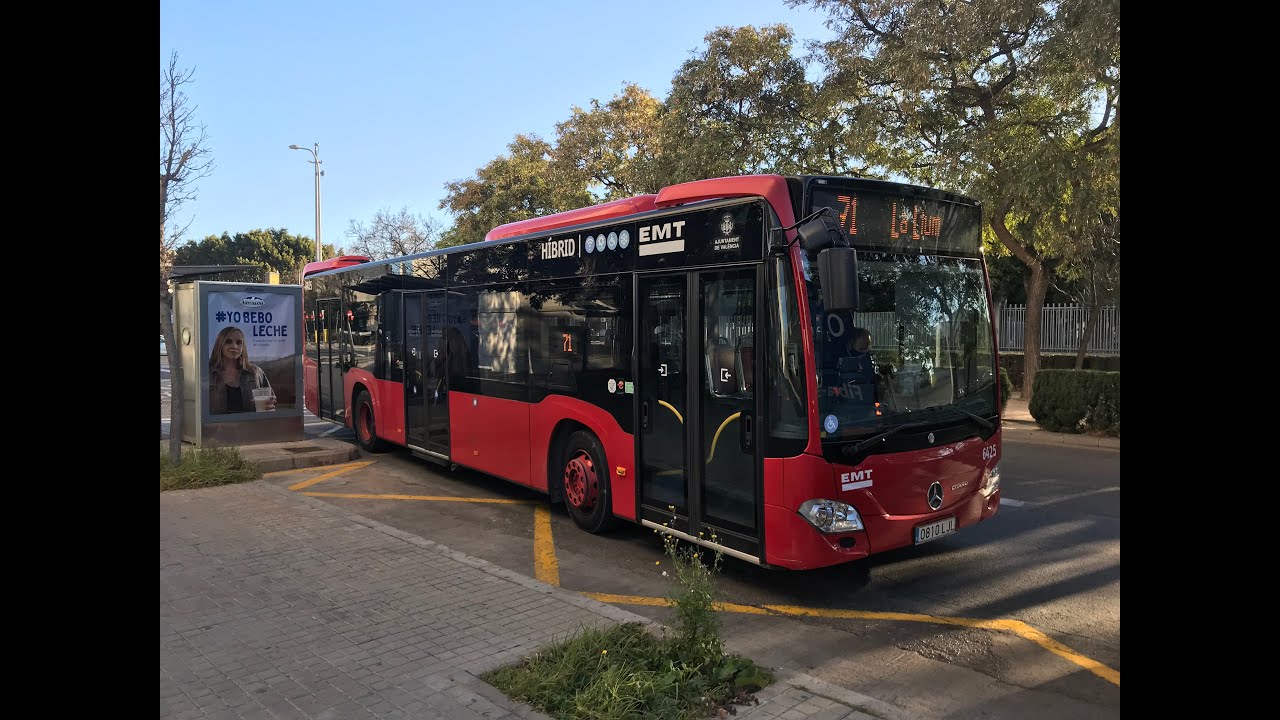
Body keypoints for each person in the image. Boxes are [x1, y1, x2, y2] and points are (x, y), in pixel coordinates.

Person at [208, 326, 276, 414]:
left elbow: (271, 404)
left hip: (251, 426)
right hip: (219, 427)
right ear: (220, 345)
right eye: (228, 342)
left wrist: (270, 405)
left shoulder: (255, 372)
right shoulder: (208, 374)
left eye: (239, 342)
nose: (234, 346)